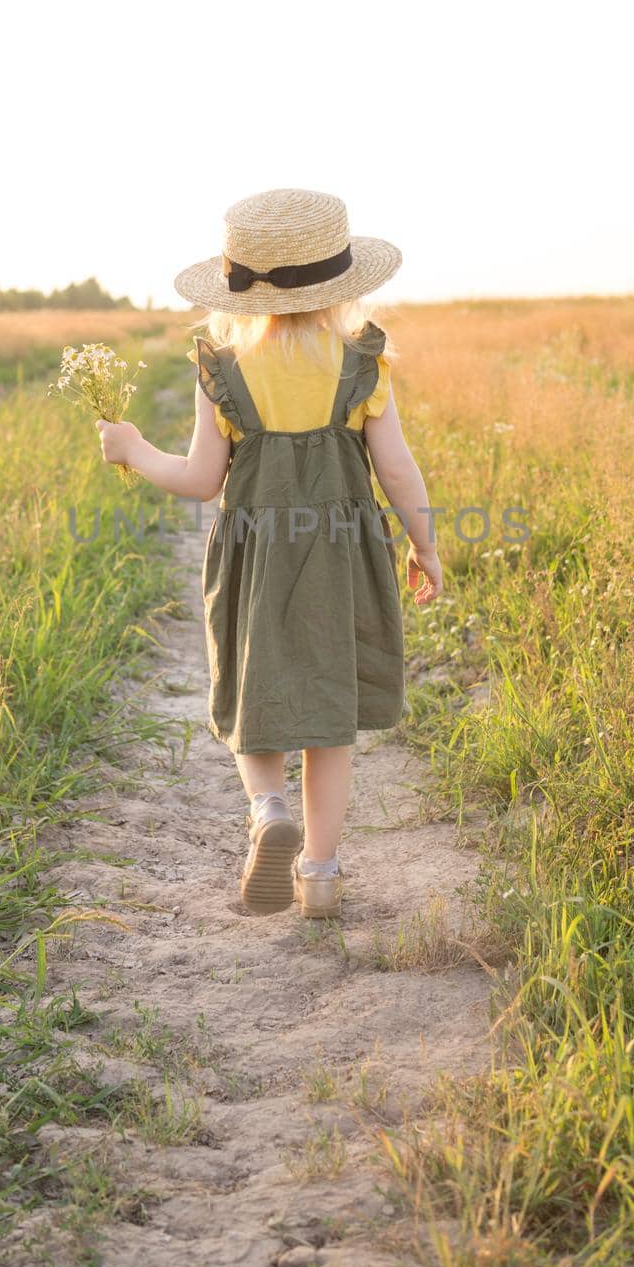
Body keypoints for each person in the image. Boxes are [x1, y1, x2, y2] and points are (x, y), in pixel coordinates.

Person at [96, 187, 442, 921]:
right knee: (328, 714)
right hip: (344, 557)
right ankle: (319, 871)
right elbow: (398, 469)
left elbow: (199, 479)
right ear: (340, 287)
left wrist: (131, 448)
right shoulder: (361, 361)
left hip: (257, 554)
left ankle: (266, 808)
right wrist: (424, 544)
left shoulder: (222, 368)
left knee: (251, 690)